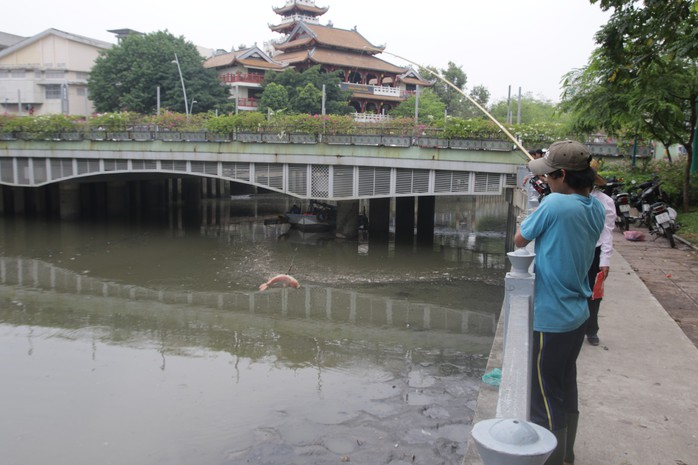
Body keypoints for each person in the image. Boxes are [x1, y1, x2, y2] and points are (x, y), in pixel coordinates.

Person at [514, 140, 605, 465]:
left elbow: (520, 238)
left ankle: (548, 459)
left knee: (543, 395)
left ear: (562, 175)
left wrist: (546, 198)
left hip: (550, 317)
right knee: (566, 384)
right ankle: (567, 455)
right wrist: (553, 192)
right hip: (577, 314)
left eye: (550, 175)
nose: (547, 179)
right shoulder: (595, 207)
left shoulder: (553, 205)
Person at [587, 160, 617, 346]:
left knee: (594, 293)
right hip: (572, 252)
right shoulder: (563, 198)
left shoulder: (605, 202)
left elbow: (607, 232)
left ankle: (591, 329)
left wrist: (605, 260)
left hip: (594, 252)